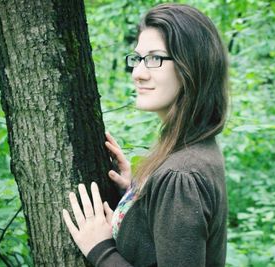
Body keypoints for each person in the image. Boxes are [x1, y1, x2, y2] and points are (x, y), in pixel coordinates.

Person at [62, 3, 229, 266]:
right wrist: (139, 195)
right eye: (137, 58)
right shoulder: (195, 148)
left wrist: (101, 251)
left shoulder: (181, 176)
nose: (138, 73)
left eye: (154, 59)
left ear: (192, 66)